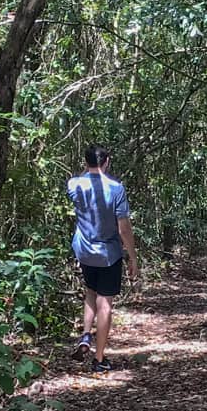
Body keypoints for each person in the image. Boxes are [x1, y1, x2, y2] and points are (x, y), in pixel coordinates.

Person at [67, 144, 139, 370]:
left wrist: (89, 171)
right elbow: (123, 228)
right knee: (105, 303)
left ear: (85, 162)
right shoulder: (116, 189)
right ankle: (99, 359)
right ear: (106, 161)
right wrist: (133, 256)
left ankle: (86, 334)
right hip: (108, 253)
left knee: (90, 291)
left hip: (85, 251)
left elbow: (81, 181)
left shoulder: (74, 184)